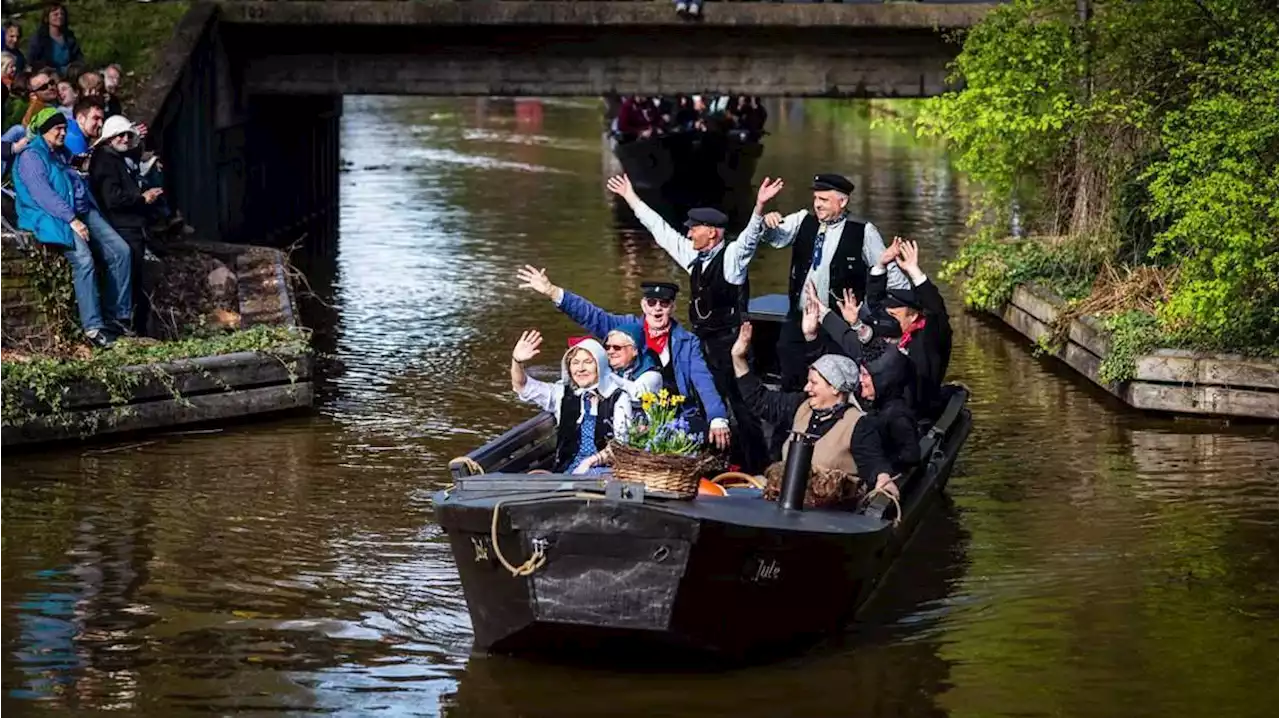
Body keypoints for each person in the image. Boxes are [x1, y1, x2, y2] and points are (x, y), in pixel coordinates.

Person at [607, 172, 771, 470]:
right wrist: (631, 197)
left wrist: (759, 207)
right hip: (703, 342)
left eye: (695, 229)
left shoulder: (733, 258)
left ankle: (757, 467)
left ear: (713, 233)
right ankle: (710, 460)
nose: (690, 233)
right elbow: (661, 231)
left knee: (741, 407)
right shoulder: (693, 257)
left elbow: (749, 239)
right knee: (703, 399)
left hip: (731, 344)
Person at [517, 265, 732, 451]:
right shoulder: (625, 328)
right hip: (627, 414)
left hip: (675, 417)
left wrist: (717, 417)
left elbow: (703, 382)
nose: (657, 308)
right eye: (652, 302)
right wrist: (553, 291)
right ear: (643, 305)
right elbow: (591, 315)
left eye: (664, 303)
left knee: (695, 434)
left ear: (673, 307)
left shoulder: (687, 342)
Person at [745, 172, 910, 390]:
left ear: (843, 201)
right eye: (816, 199)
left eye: (824, 200)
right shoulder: (802, 220)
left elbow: (892, 276)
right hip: (799, 317)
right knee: (789, 365)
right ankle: (790, 415)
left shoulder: (863, 231)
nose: (817, 205)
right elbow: (774, 238)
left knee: (835, 380)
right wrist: (766, 223)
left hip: (838, 325)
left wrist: (905, 311)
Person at [731, 321, 914, 508]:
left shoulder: (859, 425)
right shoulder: (801, 405)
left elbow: (874, 464)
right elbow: (760, 400)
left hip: (826, 512)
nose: (806, 387)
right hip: (782, 499)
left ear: (835, 388)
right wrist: (739, 359)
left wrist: (884, 479)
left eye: (813, 383)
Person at [14, 108, 133, 347]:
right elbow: (43, 195)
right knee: (84, 260)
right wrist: (72, 220)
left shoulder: (61, 153)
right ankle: (93, 327)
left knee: (121, 251)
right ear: (45, 130)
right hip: (53, 216)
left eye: (64, 128)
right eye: (58, 129)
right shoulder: (31, 157)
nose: (63, 133)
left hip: (81, 209)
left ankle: (119, 317)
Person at [510, 330, 632, 475]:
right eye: (575, 363)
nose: (580, 369)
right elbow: (522, 386)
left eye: (588, 362)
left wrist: (590, 462)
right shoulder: (562, 393)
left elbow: (621, 445)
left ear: (600, 365)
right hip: (567, 470)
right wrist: (517, 361)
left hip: (604, 472)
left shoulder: (618, 398)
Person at [89, 114, 164, 334]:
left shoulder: (115, 157)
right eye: (119, 135)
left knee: (137, 279)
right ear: (109, 139)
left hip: (132, 224)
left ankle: (136, 327)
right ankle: (125, 325)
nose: (124, 139)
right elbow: (112, 198)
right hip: (123, 226)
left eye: (127, 135)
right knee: (131, 278)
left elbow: (134, 151)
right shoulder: (105, 160)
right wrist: (142, 198)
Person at [866, 237, 953, 418]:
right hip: (883, 405)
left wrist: (914, 270)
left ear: (913, 315)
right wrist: (882, 264)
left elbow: (937, 311)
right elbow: (875, 304)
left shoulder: (928, 336)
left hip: (916, 411)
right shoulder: (889, 332)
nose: (888, 321)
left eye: (894, 316)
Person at [602, 321, 664, 399]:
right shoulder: (612, 371)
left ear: (634, 350)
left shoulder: (652, 376)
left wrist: (605, 375)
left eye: (617, 347)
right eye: (607, 347)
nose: (610, 351)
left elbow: (636, 395)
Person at [27, 3, 83, 75]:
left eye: (62, 14)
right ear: (47, 17)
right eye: (55, 14)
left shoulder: (70, 38)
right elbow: (32, 61)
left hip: (69, 76)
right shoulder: (39, 39)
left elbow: (79, 59)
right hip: (47, 76)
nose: (59, 16)